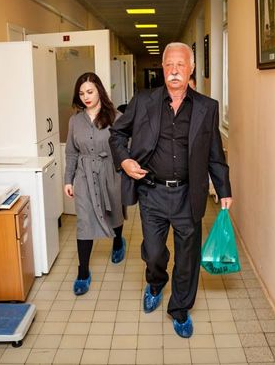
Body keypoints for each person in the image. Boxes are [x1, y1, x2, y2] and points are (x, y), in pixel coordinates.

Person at [109, 42, 232, 338]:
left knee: (187, 257)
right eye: (169, 65)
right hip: (152, 191)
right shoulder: (143, 101)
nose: (174, 70)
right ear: (162, 69)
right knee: (153, 253)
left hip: (189, 194)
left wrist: (224, 189)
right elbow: (116, 133)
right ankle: (155, 283)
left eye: (181, 64)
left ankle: (180, 309)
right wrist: (124, 160)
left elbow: (215, 153)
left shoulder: (207, 107)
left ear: (191, 69)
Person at [64, 72, 126, 296]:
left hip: (110, 171)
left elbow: (125, 147)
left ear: (99, 90)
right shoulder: (75, 121)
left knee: (115, 213)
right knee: (84, 220)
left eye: (90, 92)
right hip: (84, 174)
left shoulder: (116, 117)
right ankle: (83, 272)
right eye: (81, 93)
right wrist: (68, 179)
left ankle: (118, 241)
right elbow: (71, 152)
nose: (86, 97)